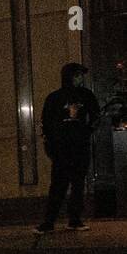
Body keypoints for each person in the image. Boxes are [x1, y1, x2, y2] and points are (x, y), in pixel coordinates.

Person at [36, 62, 101, 233]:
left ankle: (74, 219)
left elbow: (96, 116)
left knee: (78, 184)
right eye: (78, 75)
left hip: (80, 147)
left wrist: (86, 132)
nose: (80, 78)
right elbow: (46, 123)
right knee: (58, 185)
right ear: (70, 76)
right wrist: (50, 144)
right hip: (62, 148)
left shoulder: (87, 95)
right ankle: (49, 221)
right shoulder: (54, 98)